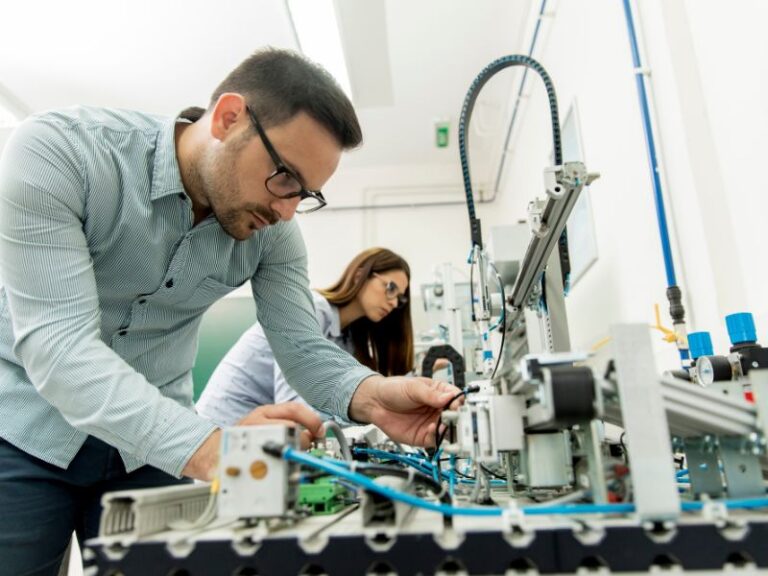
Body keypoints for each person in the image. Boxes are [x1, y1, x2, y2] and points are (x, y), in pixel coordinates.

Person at [0, 48, 461, 575]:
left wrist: (375, 397)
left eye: (305, 194)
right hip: (22, 430)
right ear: (227, 118)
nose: (287, 210)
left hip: (148, 453)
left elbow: (304, 350)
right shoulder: (61, 153)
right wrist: (215, 449)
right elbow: (60, 350)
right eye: (284, 176)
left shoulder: (274, 232)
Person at [197, 247, 414, 426]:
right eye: (390, 288)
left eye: (400, 299)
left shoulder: (346, 338)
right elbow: (292, 405)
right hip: (223, 427)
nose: (394, 303)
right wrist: (369, 411)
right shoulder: (311, 310)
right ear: (360, 275)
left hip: (259, 434)